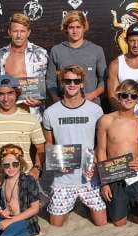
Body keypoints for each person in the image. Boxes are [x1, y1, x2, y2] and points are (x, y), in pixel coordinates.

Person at [41, 64, 106, 227]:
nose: (72, 85)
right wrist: (56, 162)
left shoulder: (96, 110)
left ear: (82, 83)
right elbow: (49, 143)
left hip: (90, 177)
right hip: (63, 178)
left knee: (101, 223)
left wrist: (96, 163)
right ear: (62, 83)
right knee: (56, 225)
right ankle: (70, 207)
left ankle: (83, 206)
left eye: (76, 81)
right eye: (67, 81)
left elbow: (101, 143)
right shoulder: (50, 112)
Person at [0, 75, 45, 206]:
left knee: (24, 222)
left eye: (10, 93)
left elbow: (40, 147)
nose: (6, 99)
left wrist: (37, 168)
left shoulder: (30, 119)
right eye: (1, 94)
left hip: (24, 179)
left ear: (17, 93)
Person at [95, 79, 138, 226]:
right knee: (119, 222)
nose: (129, 99)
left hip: (136, 176)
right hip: (114, 176)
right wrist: (104, 183)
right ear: (118, 96)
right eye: (125, 95)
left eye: (133, 96)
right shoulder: (106, 120)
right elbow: (101, 151)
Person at [0, 13, 48, 115]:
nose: (18, 35)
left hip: (35, 112)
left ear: (28, 32)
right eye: (15, 31)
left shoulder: (41, 54)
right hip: (7, 113)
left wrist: (42, 101)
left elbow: (49, 82)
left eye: (22, 31)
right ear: (9, 32)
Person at [47, 11, 107, 104]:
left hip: (91, 104)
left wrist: (92, 95)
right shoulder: (56, 51)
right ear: (66, 29)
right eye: (71, 27)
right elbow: (50, 81)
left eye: (78, 27)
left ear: (84, 28)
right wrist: (56, 99)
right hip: (64, 105)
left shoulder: (97, 50)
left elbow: (104, 80)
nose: (75, 31)